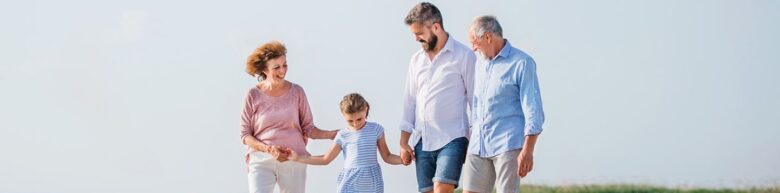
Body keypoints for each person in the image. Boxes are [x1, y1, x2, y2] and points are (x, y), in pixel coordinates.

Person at [462, 15, 546, 193]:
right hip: (478, 144)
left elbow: (533, 109)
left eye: (474, 42)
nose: (473, 48)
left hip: (507, 144)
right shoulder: (479, 64)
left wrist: (528, 150)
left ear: (488, 37)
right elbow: (476, 107)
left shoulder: (522, 63)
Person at [240, 41, 337, 193]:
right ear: (265, 69)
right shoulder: (253, 94)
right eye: (276, 67)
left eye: (284, 65)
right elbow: (245, 135)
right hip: (261, 160)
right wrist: (269, 149)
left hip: (294, 158)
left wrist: (332, 134)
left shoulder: (297, 92)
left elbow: (308, 128)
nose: (282, 70)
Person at [399, 2, 476, 193]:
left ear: (436, 27)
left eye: (419, 33)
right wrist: (403, 142)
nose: (416, 38)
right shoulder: (416, 60)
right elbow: (409, 101)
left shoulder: (464, 56)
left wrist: (473, 142)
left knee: (442, 189)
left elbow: (476, 102)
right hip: (422, 139)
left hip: (453, 138)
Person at [288, 93, 403, 193]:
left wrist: (403, 160)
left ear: (366, 109)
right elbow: (325, 159)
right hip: (350, 182)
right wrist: (297, 158)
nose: (355, 124)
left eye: (359, 119)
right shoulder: (343, 135)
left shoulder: (376, 129)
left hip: (372, 182)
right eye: (350, 121)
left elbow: (387, 156)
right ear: (343, 115)